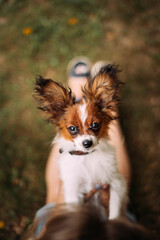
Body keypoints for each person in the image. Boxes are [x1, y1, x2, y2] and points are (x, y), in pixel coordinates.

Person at [45, 56, 131, 205]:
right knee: (116, 186)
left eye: (93, 125)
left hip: (60, 222)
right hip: (104, 218)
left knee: (54, 196)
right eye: (73, 128)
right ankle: (108, 111)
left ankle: (80, 100)